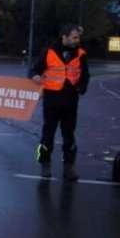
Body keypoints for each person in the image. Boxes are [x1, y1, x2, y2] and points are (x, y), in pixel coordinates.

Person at [30, 24, 89, 181]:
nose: (78, 40)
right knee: (47, 135)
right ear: (64, 37)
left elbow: (85, 75)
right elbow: (34, 69)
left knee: (69, 136)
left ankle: (68, 167)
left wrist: (81, 88)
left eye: (78, 37)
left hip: (70, 101)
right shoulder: (49, 51)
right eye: (74, 37)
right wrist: (35, 75)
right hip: (51, 100)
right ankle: (44, 163)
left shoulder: (81, 54)